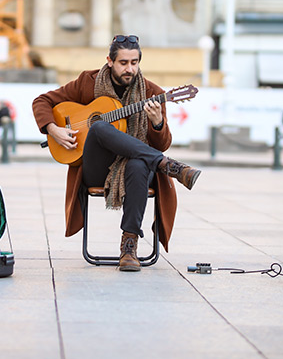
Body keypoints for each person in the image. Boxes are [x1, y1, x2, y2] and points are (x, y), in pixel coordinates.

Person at [32, 35, 201, 272]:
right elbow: (42, 101)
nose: (129, 68)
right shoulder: (87, 82)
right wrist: (53, 129)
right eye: (123, 63)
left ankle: (129, 247)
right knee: (100, 126)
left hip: (136, 172)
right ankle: (169, 166)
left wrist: (158, 123)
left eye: (134, 62)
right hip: (96, 168)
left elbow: (162, 143)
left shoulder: (152, 92)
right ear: (110, 61)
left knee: (139, 164)